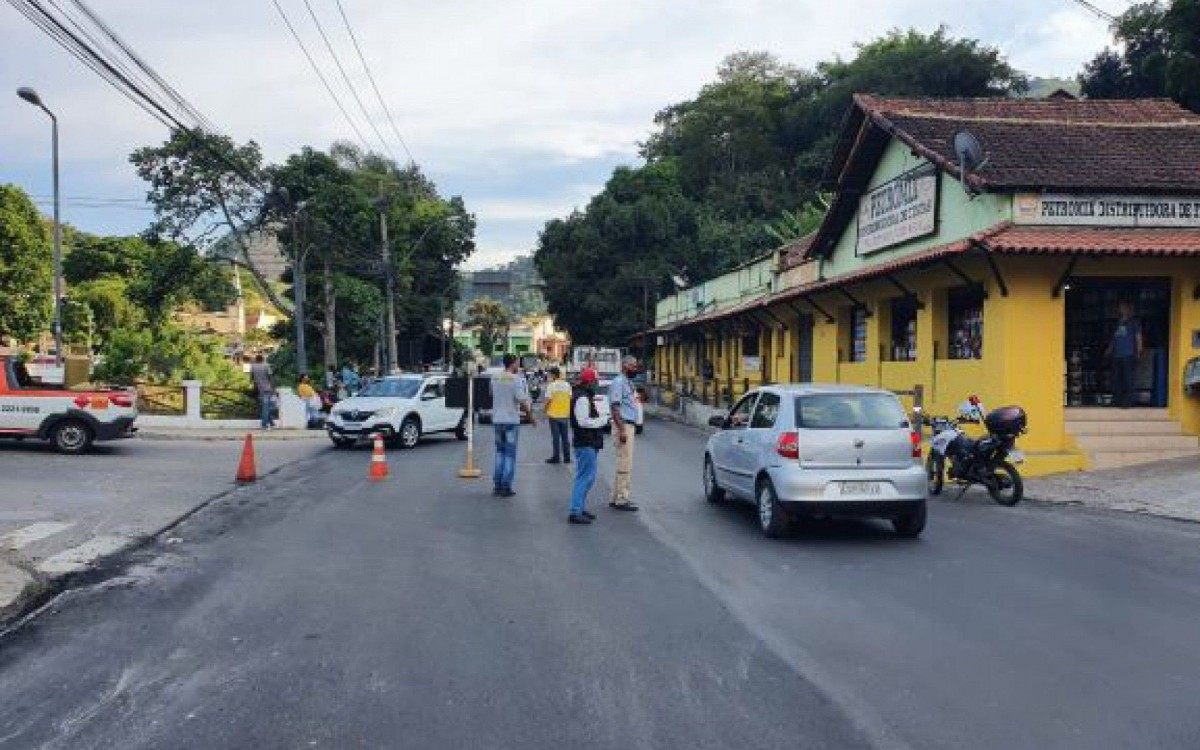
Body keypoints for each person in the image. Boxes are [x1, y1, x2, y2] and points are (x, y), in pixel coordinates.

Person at [489, 353, 535, 497]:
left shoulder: (494, 377)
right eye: (517, 362)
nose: (518, 365)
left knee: (499, 452)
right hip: (510, 421)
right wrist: (530, 416)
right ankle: (506, 486)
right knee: (509, 454)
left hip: (497, 420)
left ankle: (497, 485)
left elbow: (491, 394)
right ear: (512, 364)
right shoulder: (516, 379)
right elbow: (522, 400)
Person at [568, 368, 606, 524]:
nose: (597, 383)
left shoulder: (584, 395)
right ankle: (575, 511)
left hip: (588, 441)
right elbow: (583, 421)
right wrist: (602, 421)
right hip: (585, 442)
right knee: (584, 477)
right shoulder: (582, 398)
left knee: (588, 478)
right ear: (589, 381)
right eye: (595, 380)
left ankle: (580, 508)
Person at [608, 354, 641, 511]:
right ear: (624, 366)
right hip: (624, 425)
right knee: (625, 462)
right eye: (633, 366)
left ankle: (616, 496)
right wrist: (621, 429)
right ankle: (622, 499)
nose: (635, 369)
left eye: (635, 366)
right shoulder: (619, 382)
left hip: (628, 424)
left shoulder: (627, 382)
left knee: (624, 461)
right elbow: (615, 407)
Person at [1106, 300, 1144, 408]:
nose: (1121, 309)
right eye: (1120, 307)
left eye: (1123, 307)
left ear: (1128, 309)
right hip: (1117, 355)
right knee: (1117, 379)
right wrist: (1109, 350)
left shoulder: (1134, 322)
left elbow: (1138, 337)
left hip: (1129, 354)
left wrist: (1139, 351)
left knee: (1128, 379)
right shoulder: (1117, 323)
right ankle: (1117, 400)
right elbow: (1114, 339)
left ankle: (1128, 402)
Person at [543, 366, 572, 464]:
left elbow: (548, 400)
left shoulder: (551, 386)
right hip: (564, 414)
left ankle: (556, 457)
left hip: (554, 415)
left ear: (554, 375)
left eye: (550, 375)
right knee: (565, 437)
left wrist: (544, 409)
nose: (548, 376)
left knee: (556, 437)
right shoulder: (567, 385)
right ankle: (567, 457)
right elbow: (570, 398)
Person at [249, 354, 275, 430]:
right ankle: (264, 424)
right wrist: (273, 388)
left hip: (259, 389)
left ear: (256, 360)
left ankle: (272, 423)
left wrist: (254, 385)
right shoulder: (266, 366)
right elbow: (270, 377)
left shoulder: (253, 367)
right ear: (263, 359)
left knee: (267, 407)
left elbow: (251, 378)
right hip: (267, 389)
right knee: (266, 408)